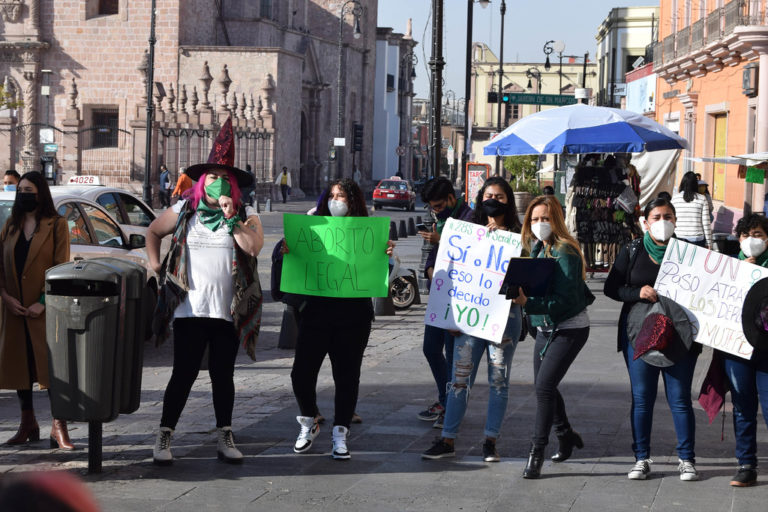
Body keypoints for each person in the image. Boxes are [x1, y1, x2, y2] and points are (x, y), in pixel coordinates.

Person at [146, 119, 264, 465]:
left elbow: (253, 248)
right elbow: (153, 232)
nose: (217, 182)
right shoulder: (186, 211)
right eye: (211, 176)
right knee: (182, 373)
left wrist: (232, 219)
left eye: (224, 177)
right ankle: (164, 435)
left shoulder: (246, 214)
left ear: (234, 186)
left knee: (222, 375)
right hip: (189, 310)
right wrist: (156, 266)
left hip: (227, 311)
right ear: (201, 182)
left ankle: (224, 435)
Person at [286, 178, 394, 460]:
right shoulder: (315, 225)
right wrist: (286, 250)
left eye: (342, 196)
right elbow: (296, 258)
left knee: (347, 376)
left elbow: (382, 273)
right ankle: (308, 421)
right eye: (332, 195)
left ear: (353, 200)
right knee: (301, 373)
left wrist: (387, 256)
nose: (336, 201)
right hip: (316, 312)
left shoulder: (367, 231)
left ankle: (340, 432)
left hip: (353, 315)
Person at [421, 177, 523, 462]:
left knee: (499, 381)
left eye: (500, 196)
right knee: (459, 380)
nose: (494, 200)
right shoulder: (467, 232)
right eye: (489, 194)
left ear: (509, 201)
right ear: (480, 198)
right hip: (469, 320)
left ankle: (491, 441)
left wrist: (503, 238)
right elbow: (452, 274)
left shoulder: (519, 235)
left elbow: (527, 278)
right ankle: (447, 439)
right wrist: (452, 316)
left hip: (504, 319)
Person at [604, 197, 701, 481]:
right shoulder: (632, 250)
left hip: (680, 336)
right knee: (642, 398)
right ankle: (641, 458)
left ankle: (686, 459)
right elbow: (612, 287)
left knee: (680, 399)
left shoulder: (690, 252)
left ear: (675, 220)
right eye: (656, 217)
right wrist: (637, 293)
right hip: (639, 334)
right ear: (645, 222)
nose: (663, 222)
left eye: (668, 216)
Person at [511, 194, 593, 479]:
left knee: (544, 387)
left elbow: (567, 302)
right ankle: (565, 434)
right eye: (534, 219)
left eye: (545, 218)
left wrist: (528, 304)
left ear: (556, 219)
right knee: (544, 384)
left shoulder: (566, 252)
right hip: (545, 327)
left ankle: (537, 452)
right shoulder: (536, 248)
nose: (539, 224)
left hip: (569, 327)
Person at [0, 171, 72, 449]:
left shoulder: (56, 225)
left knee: (50, 368)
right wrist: (5, 296)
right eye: (20, 191)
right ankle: (27, 423)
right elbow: (1, 267)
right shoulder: (10, 226)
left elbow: (60, 267)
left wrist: (42, 302)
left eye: (29, 190)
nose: (24, 195)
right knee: (21, 366)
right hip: (14, 309)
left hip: (43, 310)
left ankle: (59, 426)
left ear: (40, 193)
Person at [416, 177, 473, 428]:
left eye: (438, 206)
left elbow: (472, 253)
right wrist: (430, 271)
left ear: (452, 197)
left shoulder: (470, 217)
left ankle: (451, 409)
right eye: (432, 207)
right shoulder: (440, 220)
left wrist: (442, 240)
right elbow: (433, 258)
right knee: (430, 348)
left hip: (460, 300)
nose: (435, 211)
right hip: (440, 296)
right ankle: (445, 398)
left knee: (452, 354)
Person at [721, 213, 768, 486]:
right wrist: (741, 276)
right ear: (738, 239)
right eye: (747, 235)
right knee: (743, 407)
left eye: (759, 235)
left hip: (766, 351)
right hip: (737, 349)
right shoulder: (726, 267)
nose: (752, 241)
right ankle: (746, 464)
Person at [671, 171, 712, 249]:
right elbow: (706, 222)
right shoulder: (702, 198)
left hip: (678, 237)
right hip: (697, 240)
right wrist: (709, 242)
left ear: (682, 183)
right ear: (695, 184)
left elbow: (672, 219)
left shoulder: (674, 199)